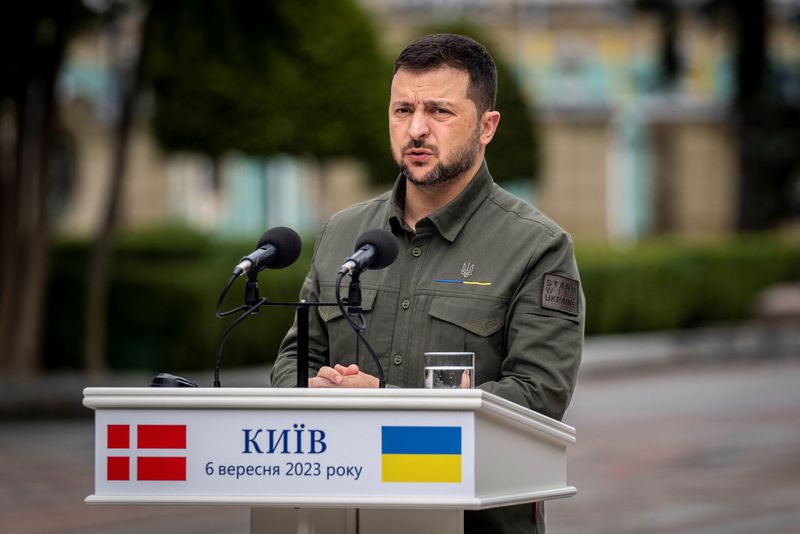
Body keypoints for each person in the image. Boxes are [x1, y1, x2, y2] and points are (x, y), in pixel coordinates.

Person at [271, 33, 584, 534]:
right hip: (342, 510)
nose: (416, 129)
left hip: (474, 519)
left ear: (487, 127)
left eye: (439, 111)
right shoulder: (340, 234)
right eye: (402, 111)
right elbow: (295, 358)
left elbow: (537, 395)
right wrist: (314, 391)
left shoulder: (537, 247)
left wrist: (386, 403)